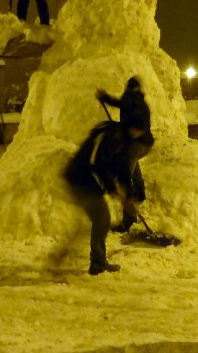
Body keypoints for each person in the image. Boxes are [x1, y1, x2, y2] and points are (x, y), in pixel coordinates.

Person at [64, 120, 139, 275]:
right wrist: (111, 188)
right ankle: (97, 264)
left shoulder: (123, 140)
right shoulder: (113, 137)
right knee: (102, 219)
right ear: (133, 128)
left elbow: (123, 169)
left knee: (98, 220)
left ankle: (64, 254)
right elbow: (96, 164)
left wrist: (128, 196)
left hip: (88, 181)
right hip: (81, 180)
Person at [96, 76, 154, 233]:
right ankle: (139, 194)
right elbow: (120, 104)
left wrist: (133, 131)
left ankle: (129, 219)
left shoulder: (134, 102)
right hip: (141, 142)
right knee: (131, 165)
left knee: (125, 169)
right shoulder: (134, 100)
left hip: (140, 143)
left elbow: (140, 122)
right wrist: (106, 98)